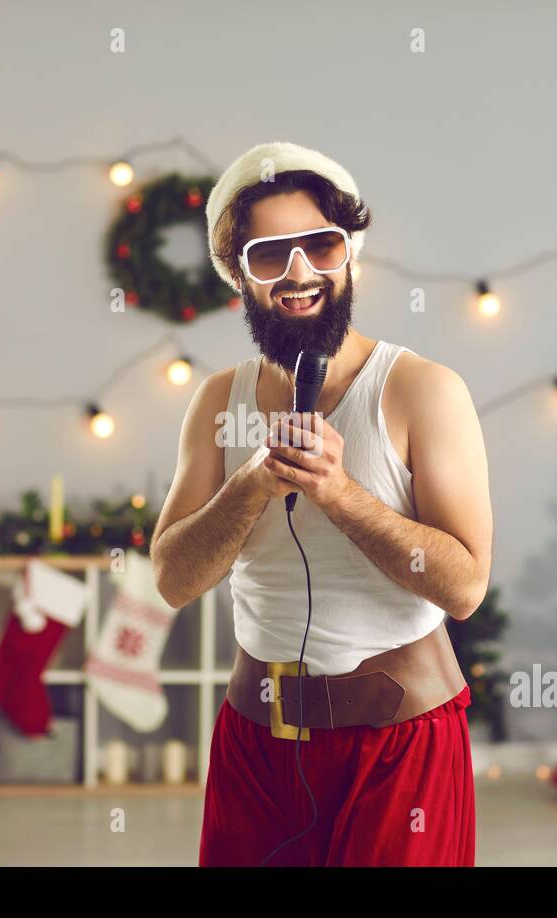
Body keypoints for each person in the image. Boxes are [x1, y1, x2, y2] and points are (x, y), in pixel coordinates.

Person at [150, 142, 493, 866]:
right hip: (257, 741)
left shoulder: (423, 390)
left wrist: (339, 494)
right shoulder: (219, 400)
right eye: (271, 254)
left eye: (321, 245)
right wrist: (249, 487)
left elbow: (465, 588)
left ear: (349, 258)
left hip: (401, 743)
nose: (300, 272)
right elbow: (173, 578)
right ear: (237, 274)